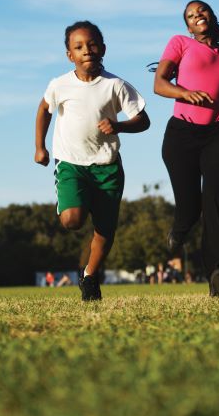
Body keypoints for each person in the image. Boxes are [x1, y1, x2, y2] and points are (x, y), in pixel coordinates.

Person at [35, 21, 150, 301]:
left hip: (107, 166)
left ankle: (89, 276)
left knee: (104, 230)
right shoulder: (59, 85)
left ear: (103, 49)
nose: (86, 50)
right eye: (78, 46)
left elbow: (143, 120)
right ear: (69, 55)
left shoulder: (116, 85)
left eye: (92, 44)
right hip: (71, 163)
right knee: (72, 220)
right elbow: (44, 109)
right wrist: (40, 147)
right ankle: (78, 201)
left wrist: (120, 125)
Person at [154, 0, 219, 297]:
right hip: (181, 135)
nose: (197, 17)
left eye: (202, 11)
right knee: (190, 205)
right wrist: (185, 93)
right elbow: (159, 84)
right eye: (191, 15)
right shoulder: (180, 44)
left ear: (211, 15)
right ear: (187, 25)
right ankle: (181, 227)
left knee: (218, 201)